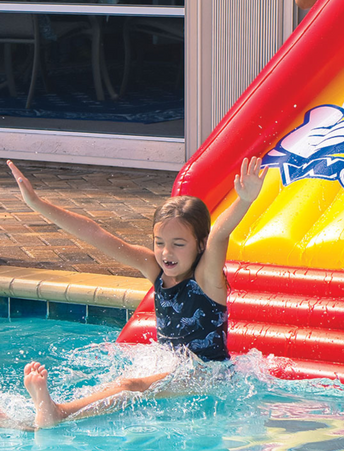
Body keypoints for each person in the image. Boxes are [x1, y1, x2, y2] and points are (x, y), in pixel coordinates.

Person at [4, 157, 267, 428]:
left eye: (178, 244)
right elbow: (95, 234)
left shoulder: (207, 279)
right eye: (159, 243)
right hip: (175, 369)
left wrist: (244, 200)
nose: (166, 252)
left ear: (200, 245)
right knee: (117, 381)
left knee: (131, 385)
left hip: (210, 375)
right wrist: (36, 203)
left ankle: (59, 412)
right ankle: (28, 418)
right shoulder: (156, 270)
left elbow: (219, 234)